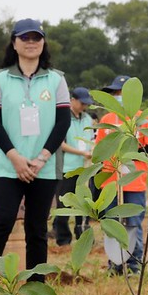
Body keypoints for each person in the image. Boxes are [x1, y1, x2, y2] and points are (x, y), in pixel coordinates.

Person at [0, 19, 70, 288]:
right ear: (14, 43)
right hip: (7, 165)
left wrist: (42, 158)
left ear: (43, 43)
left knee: (36, 230)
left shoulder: (57, 79)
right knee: (1, 222)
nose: (31, 42)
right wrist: (14, 157)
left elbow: (63, 123)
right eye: (25, 38)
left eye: (36, 37)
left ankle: (37, 290)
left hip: (43, 167)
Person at [95, 75, 148, 275]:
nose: (118, 97)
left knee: (133, 223)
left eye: (122, 93)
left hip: (135, 183)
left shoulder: (143, 120)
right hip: (110, 183)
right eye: (115, 93)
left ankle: (134, 265)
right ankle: (115, 265)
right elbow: (99, 153)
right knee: (112, 224)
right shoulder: (106, 121)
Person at [52, 86, 94, 245]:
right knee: (64, 203)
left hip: (84, 168)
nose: (84, 106)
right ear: (73, 100)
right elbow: (60, 144)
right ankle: (63, 238)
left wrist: (90, 152)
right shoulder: (63, 118)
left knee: (83, 204)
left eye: (86, 104)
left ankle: (82, 235)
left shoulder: (88, 119)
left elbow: (91, 140)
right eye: (82, 103)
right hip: (66, 168)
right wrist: (81, 153)